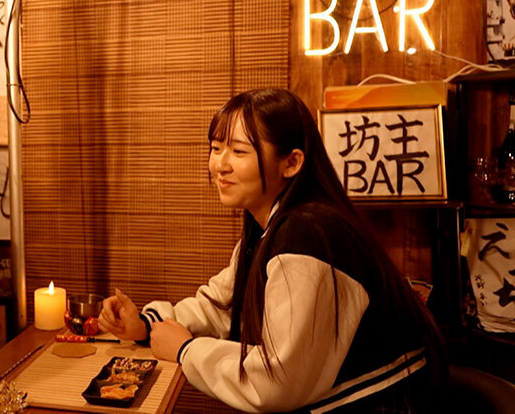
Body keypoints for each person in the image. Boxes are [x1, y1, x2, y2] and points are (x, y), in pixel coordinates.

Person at [99, 89, 446, 413]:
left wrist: (186, 349)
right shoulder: (271, 224)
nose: (220, 165)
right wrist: (147, 326)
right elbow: (223, 305)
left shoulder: (307, 235)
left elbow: (278, 381)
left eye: (239, 151)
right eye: (216, 148)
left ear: (291, 163)